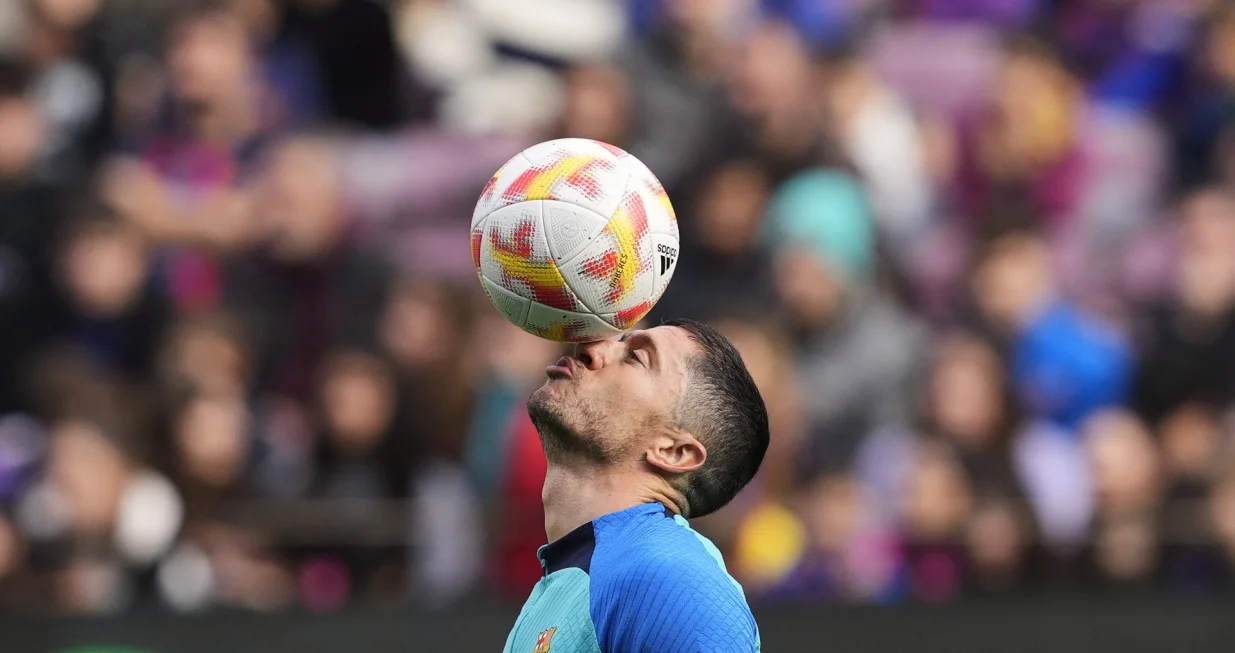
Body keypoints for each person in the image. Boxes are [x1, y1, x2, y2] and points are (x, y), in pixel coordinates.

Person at [504, 319, 768, 652]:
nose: (591, 347)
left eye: (635, 357)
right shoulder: (568, 579)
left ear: (674, 452)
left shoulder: (670, 580)